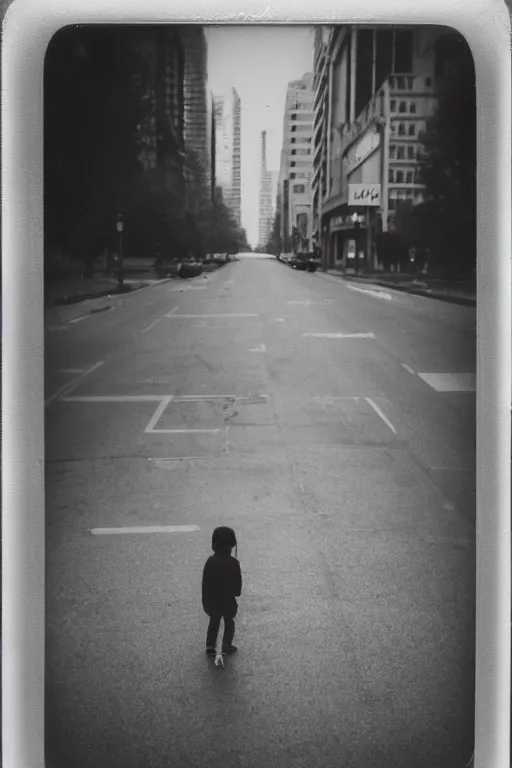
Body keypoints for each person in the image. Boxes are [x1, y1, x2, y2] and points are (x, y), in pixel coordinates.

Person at [202, 526, 242, 656]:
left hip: (212, 600)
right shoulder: (234, 563)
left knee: (214, 621)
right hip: (227, 600)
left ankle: (210, 645)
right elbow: (237, 586)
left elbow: (205, 582)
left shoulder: (210, 561)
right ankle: (226, 644)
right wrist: (235, 592)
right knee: (229, 622)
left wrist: (205, 599)